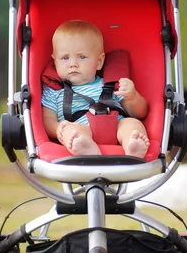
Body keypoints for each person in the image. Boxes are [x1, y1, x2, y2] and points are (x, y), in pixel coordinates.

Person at [41, 20, 150, 157]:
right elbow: (46, 119)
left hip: (114, 125)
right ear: (55, 61)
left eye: (81, 57)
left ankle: (132, 146)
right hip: (81, 128)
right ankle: (84, 147)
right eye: (65, 58)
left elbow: (140, 113)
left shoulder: (110, 84)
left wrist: (132, 96)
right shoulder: (54, 91)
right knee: (71, 131)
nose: (73, 64)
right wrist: (58, 129)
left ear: (99, 62)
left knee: (132, 123)